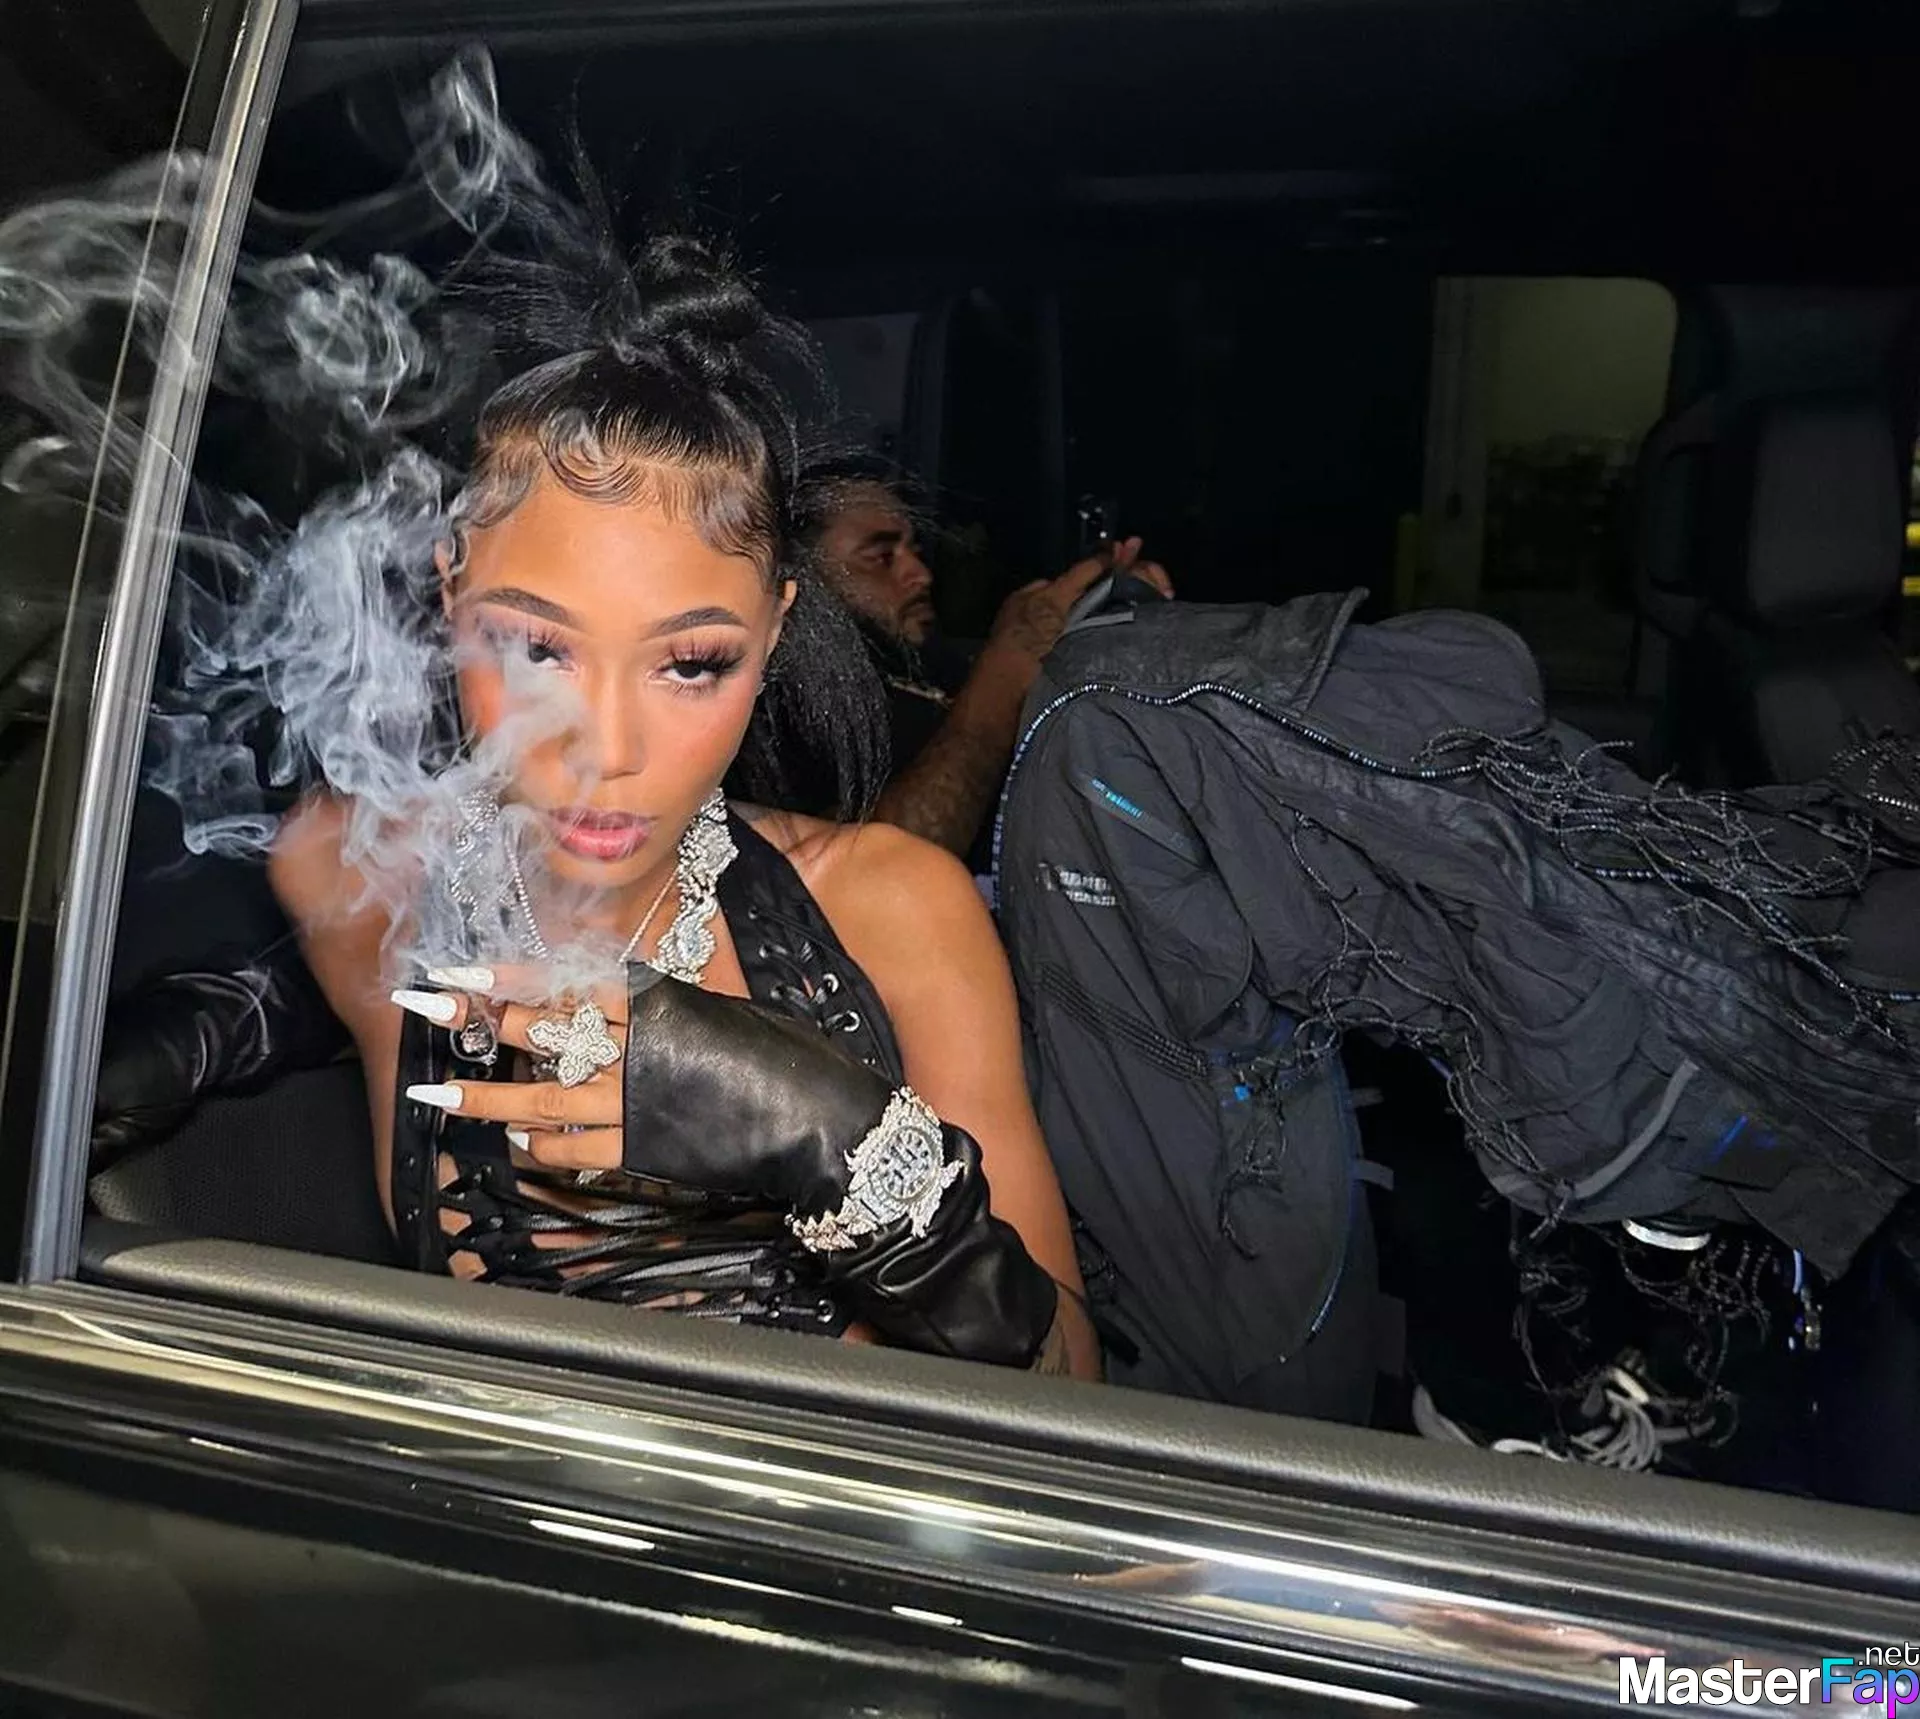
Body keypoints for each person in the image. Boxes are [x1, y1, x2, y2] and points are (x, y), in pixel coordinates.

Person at [265, 227, 1099, 1378]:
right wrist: (236, 1019)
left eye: (691, 663)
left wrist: (837, 1137)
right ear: (451, 594)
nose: (606, 752)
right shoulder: (352, 879)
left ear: (771, 631)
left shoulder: (894, 911)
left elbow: (1068, 1382)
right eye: (536, 649)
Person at [798, 465, 1169, 865]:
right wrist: (1005, 673)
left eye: (915, 551)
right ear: (805, 581)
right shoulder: (792, 711)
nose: (920, 575)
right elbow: (865, 871)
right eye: (881, 558)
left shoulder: (941, 665)